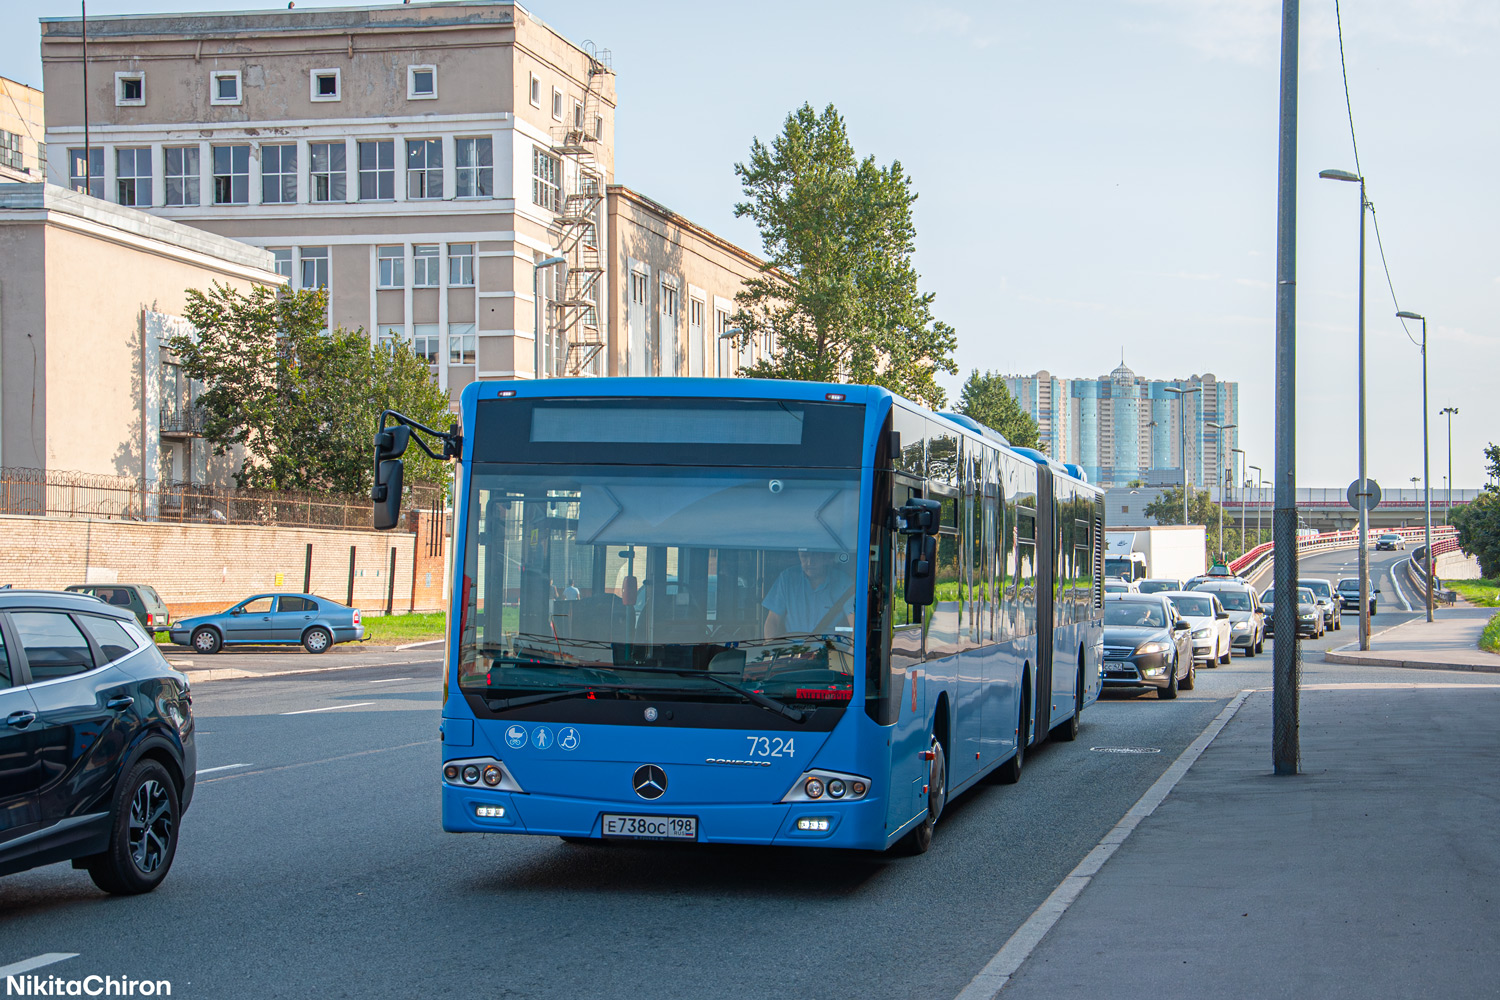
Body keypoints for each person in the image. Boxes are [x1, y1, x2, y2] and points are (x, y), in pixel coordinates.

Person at [763, 549, 855, 638]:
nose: (810, 562)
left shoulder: (844, 583)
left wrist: (850, 651)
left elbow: (856, 625)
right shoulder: (787, 579)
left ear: (826, 556)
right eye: (804, 556)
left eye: (815, 555)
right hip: (794, 650)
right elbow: (773, 620)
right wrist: (770, 648)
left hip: (831, 650)